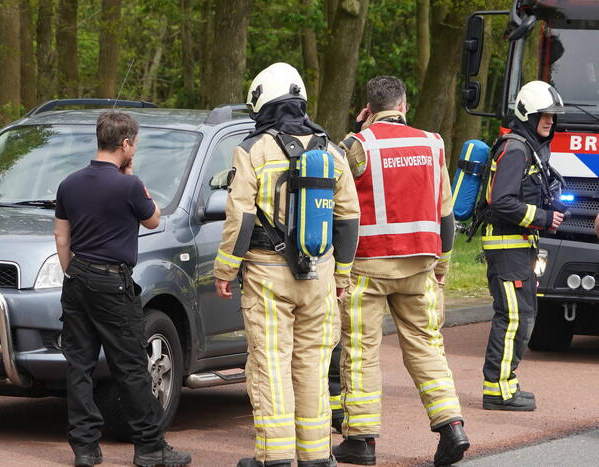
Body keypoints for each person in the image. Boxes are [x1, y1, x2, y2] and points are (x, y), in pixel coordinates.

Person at [214, 62, 360, 467]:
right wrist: (343, 274)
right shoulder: (332, 150)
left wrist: (225, 270)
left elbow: (240, 218)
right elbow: (349, 218)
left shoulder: (252, 150)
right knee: (313, 365)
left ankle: (274, 458)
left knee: (271, 365)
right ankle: (316, 457)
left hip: (267, 275)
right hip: (321, 275)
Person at [333, 76, 468, 467]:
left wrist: (360, 130)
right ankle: (451, 427)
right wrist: (442, 266)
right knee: (427, 346)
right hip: (420, 266)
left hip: (368, 266)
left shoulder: (355, 145)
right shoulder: (433, 143)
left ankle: (361, 441)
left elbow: (342, 206)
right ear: (404, 106)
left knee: (360, 351)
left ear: (369, 108)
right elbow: (446, 215)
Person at [54, 110, 191, 467]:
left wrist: (74, 274)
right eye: (135, 143)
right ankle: (150, 447)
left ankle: (85, 448)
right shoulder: (130, 186)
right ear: (126, 143)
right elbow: (153, 218)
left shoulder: (69, 183)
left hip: (77, 277)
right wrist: (133, 177)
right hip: (112, 282)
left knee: (79, 365)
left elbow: (60, 237)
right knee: (130, 364)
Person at [480, 81, 565, 411]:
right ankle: (497, 390)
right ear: (528, 115)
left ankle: (507, 381)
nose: (550, 122)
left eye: (552, 117)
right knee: (513, 317)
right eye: (544, 116)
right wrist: (543, 217)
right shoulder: (516, 149)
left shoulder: (527, 147)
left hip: (518, 245)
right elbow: (501, 201)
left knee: (524, 314)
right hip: (506, 245)